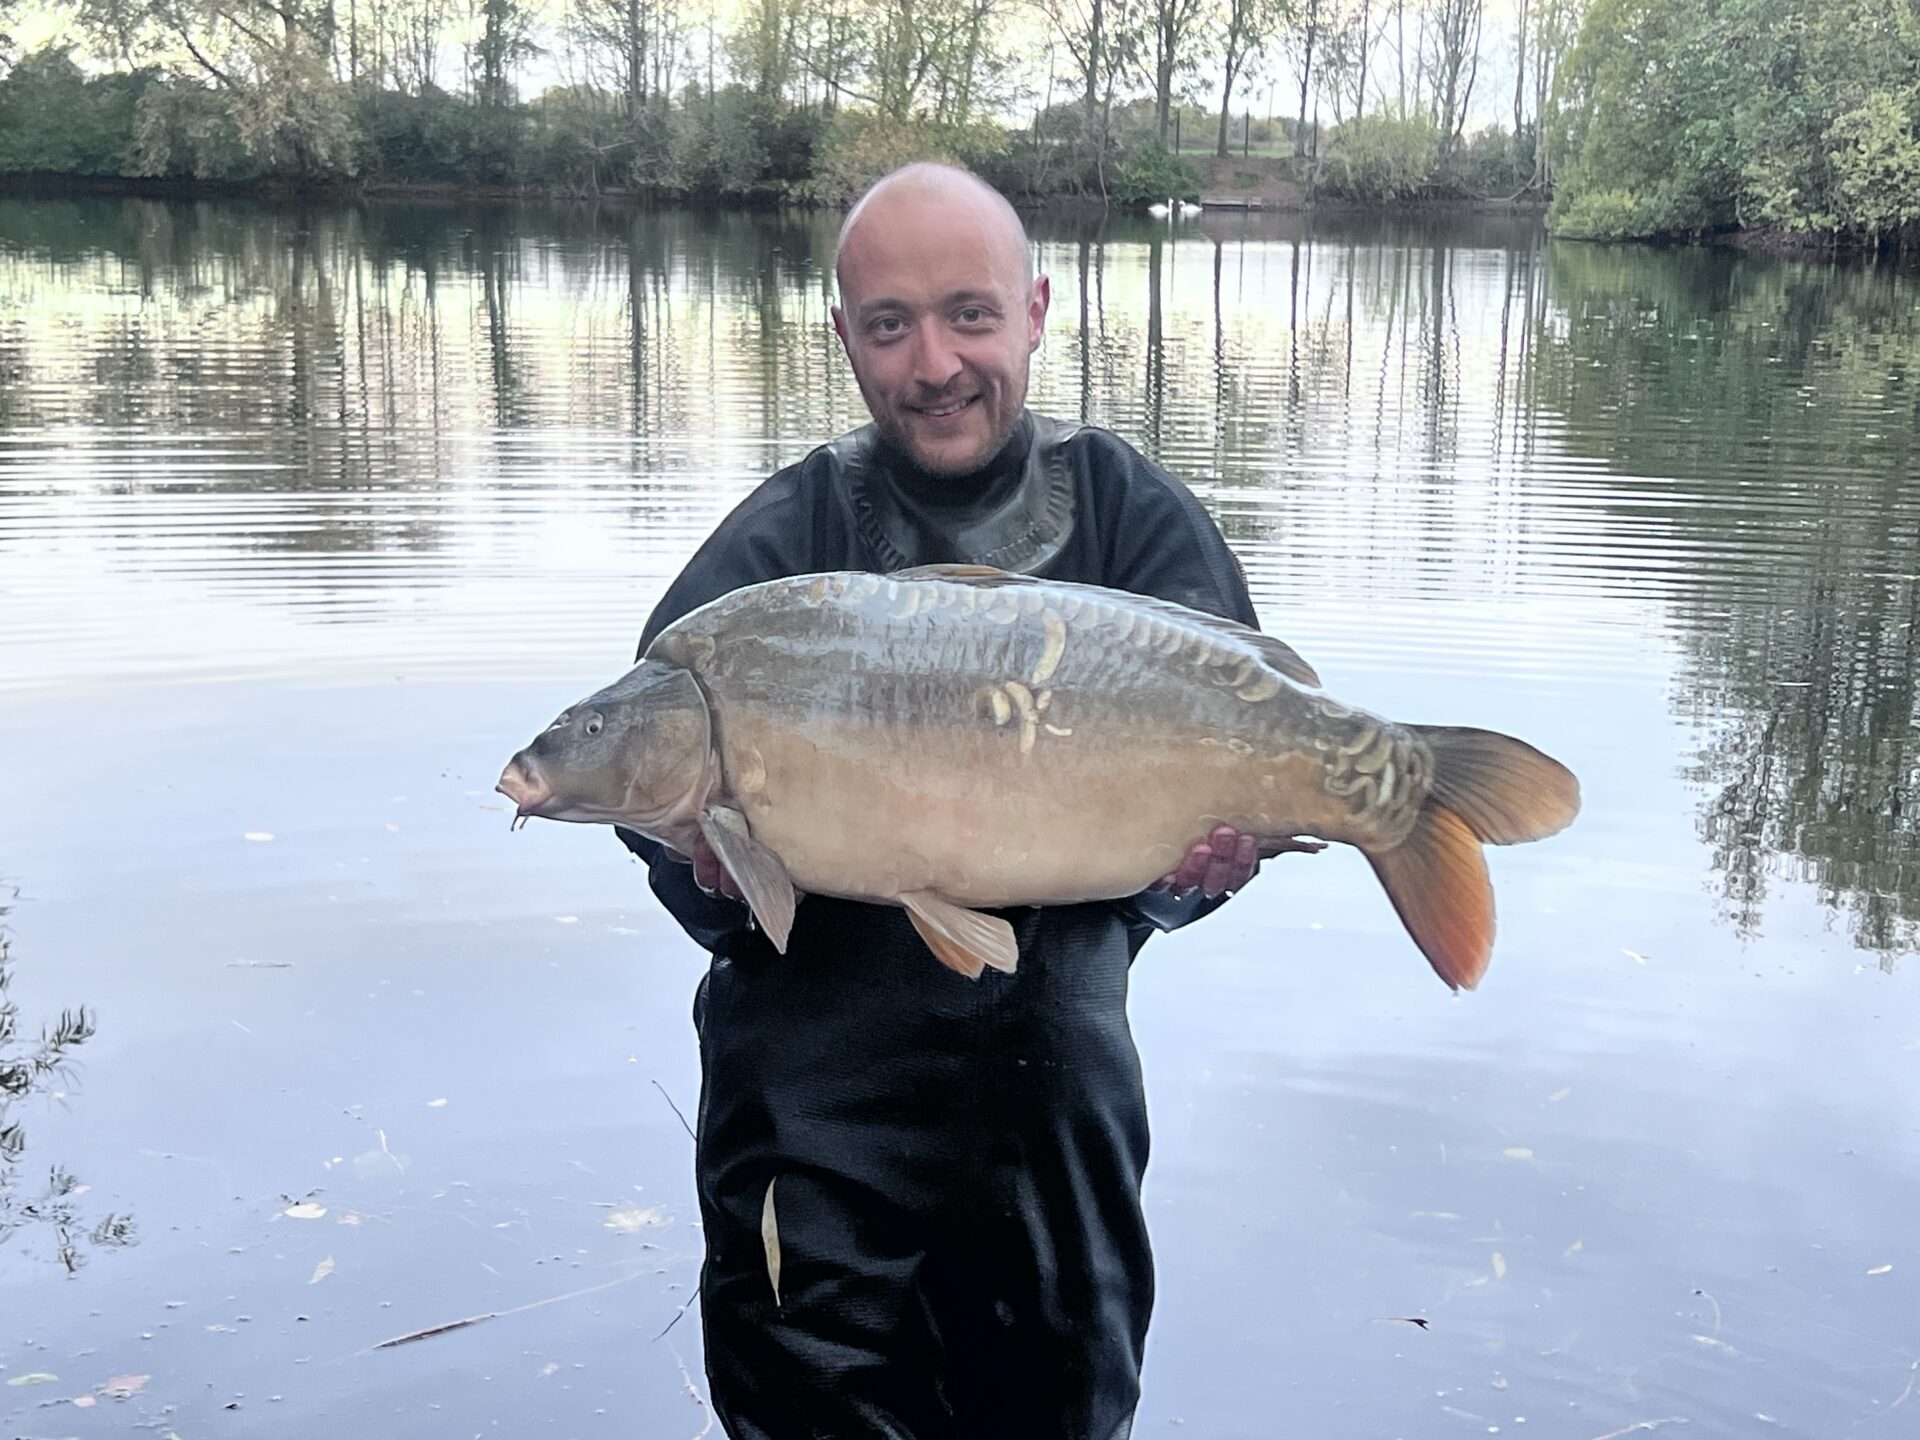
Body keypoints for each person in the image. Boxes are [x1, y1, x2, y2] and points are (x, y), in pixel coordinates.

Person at [619, 163, 1296, 1440]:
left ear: (1037, 310)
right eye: (890, 325)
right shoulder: (776, 549)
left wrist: (1189, 876)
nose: (934, 363)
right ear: (844, 337)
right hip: (813, 1123)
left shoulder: (1135, 523)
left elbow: (1196, 850)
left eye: (969, 315)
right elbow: (641, 793)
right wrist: (704, 868)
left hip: (1054, 1116)